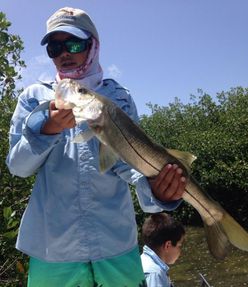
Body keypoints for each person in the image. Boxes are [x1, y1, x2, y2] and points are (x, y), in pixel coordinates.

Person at [6, 7, 187, 287]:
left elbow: (131, 165)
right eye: (55, 47)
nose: (64, 53)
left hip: (115, 245)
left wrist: (156, 190)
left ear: (93, 45)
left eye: (74, 44)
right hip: (52, 250)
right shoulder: (34, 98)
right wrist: (46, 129)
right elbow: (17, 167)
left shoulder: (118, 97)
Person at [141, 213, 185, 287]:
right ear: (168, 245)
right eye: (179, 245)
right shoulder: (155, 274)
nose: (180, 251)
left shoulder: (143, 261)